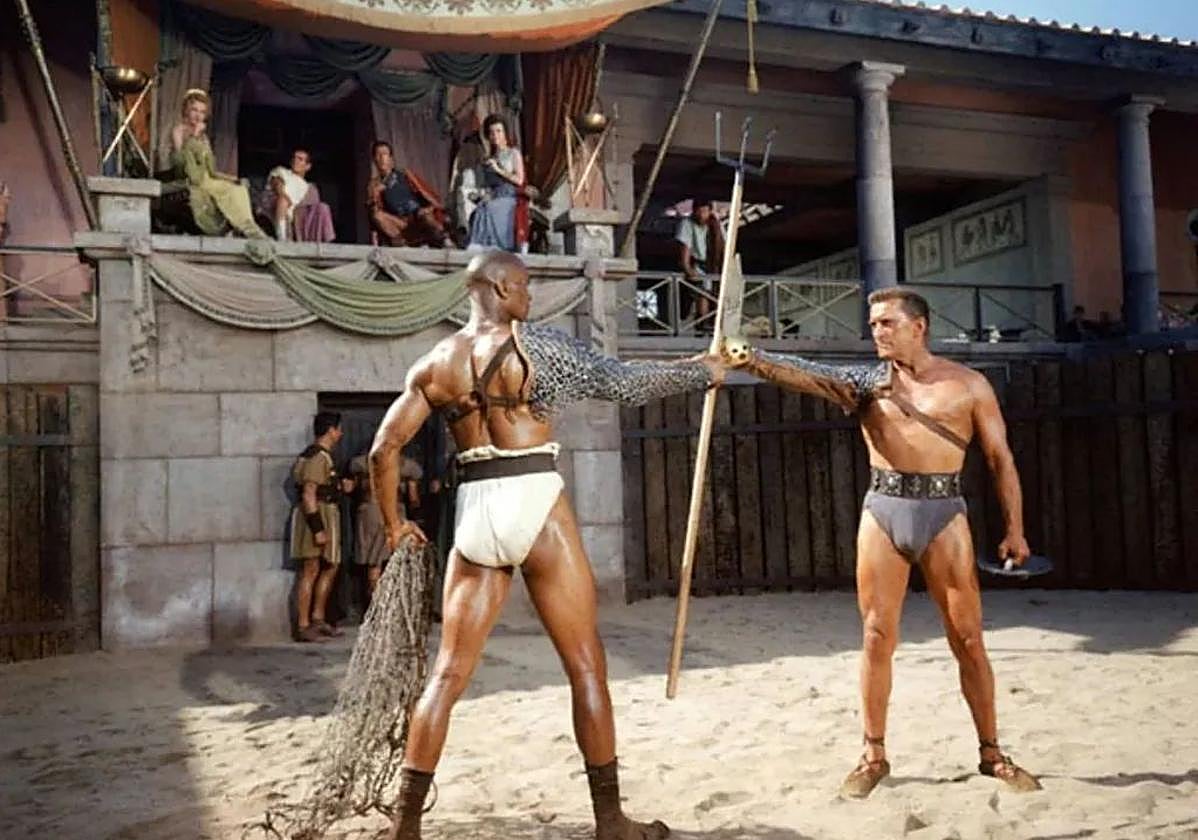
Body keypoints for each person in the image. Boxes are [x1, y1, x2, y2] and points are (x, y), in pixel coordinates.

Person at [368, 250, 725, 839]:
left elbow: (384, 449)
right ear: (500, 288)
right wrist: (701, 370)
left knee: (448, 675)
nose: (530, 295)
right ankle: (611, 822)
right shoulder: (539, 347)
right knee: (586, 667)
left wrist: (393, 526)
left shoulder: (436, 362)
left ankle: (405, 828)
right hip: (533, 495)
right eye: (524, 285)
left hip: (475, 509)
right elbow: (623, 383)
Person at [721, 287, 1040, 799]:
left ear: (919, 327)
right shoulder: (867, 383)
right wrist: (748, 357)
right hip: (884, 511)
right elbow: (804, 373)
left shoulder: (968, 385)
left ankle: (991, 753)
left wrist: (1015, 529)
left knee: (969, 639)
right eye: (873, 324)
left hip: (944, 513)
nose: (877, 332)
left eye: (887, 323)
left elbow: (1001, 460)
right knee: (875, 635)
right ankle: (873, 755)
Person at [168, 89, 266, 239]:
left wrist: (232, 178)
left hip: (208, 180)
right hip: (193, 180)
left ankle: (245, 227)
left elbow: (211, 171)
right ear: (186, 110)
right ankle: (242, 228)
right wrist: (194, 135)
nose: (198, 115)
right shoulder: (178, 131)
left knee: (239, 188)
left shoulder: (204, 138)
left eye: (202, 112)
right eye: (194, 110)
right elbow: (181, 163)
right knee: (228, 191)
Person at [291, 411, 354, 643]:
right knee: (311, 568)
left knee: (330, 565)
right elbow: (309, 493)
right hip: (317, 514)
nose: (340, 434)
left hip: (326, 511)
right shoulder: (317, 457)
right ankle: (304, 624)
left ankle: (318, 618)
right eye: (338, 429)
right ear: (330, 430)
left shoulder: (322, 457)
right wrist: (317, 528)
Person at [350, 452, 423, 598]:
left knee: (373, 561)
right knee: (391, 559)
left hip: (368, 512)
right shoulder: (406, 466)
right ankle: (385, 602)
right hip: (393, 512)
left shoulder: (362, 463)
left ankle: (375, 601)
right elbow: (413, 497)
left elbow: (353, 488)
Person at [367, 141, 453, 248]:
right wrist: (375, 194)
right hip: (399, 223)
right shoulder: (374, 184)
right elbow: (374, 214)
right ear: (374, 160)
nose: (381, 158)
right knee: (378, 216)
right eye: (378, 155)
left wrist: (431, 207)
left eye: (384, 154)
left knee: (425, 216)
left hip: (417, 217)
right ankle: (402, 245)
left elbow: (426, 193)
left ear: (391, 159)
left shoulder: (404, 174)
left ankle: (444, 239)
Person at [466, 114, 526, 253]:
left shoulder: (513, 153)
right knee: (481, 207)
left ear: (505, 133)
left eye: (499, 131)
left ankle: (497, 245)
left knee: (489, 207)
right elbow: (486, 185)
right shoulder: (488, 159)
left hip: (508, 196)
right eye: (492, 132)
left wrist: (498, 169)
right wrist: (479, 195)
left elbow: (519, 180)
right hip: (493, 195)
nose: (495, 136)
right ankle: (479, 245)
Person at [263, 148, 335, 243]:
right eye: (294, 158)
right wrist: (283, 194)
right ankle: (282, 237)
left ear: (308, 166)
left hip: (298, 214)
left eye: (300, 159)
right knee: (283, 200)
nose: (295, 160)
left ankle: (322, 243)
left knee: (323, 207)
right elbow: (277, 183)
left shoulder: (309, 187)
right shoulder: (282, 171)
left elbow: (312, 207)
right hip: (278, 205)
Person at [674, 197, 724, 330]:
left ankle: (715, 327)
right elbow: (685, 250)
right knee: (702, 293)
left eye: (705, 211)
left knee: (718, 297)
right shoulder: (687, 223)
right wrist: (688, 269)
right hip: (697, 265)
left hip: (714, 266)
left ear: (710, 211)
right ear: (694, 211)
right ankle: (702, 326)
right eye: (699, 211)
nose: (702, 215)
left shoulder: (716, 225)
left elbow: (724, 247)